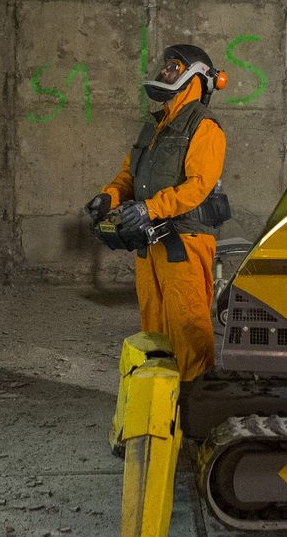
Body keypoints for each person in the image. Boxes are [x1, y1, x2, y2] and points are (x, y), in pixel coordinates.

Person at [86, 43, 227, 382]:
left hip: (184, 243)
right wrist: (109, 197)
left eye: (173, 67)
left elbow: (198, 186)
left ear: (195, 75)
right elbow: (128, 176)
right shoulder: (154, 126)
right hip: (149, 245)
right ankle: (160, 403)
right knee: (154, 329)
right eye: (165, 66)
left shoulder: (204, 126)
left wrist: (151, 208)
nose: (164, 72)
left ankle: (194, 407)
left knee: (187, 325)